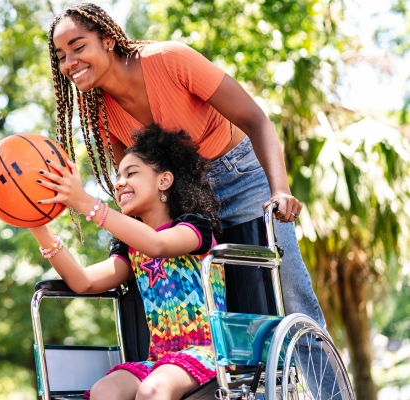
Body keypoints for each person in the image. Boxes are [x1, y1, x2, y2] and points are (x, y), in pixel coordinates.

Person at [46, 3, 325, 330]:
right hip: (184, 198)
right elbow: (135, 177)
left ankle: (325, 381)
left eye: (78, 47)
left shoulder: (169, 59)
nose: (69, 62)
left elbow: (256, 120)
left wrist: (280, 190)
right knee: (221, 310)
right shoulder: (92, 105)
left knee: (289, 296)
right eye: (61, 55)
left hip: (240, 177)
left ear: (107, 40)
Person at [30, 125, 224, 399]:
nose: (119, 182)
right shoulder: (131, 250)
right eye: (118, 176)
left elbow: (157, 245)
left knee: (151, 391)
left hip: (208, 352)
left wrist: (86, 203)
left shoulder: (194, 230)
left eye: (131, 173)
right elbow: (83, 282)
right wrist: (37, 224)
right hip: (159, 360)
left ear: (164, 181)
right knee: (104, 391)